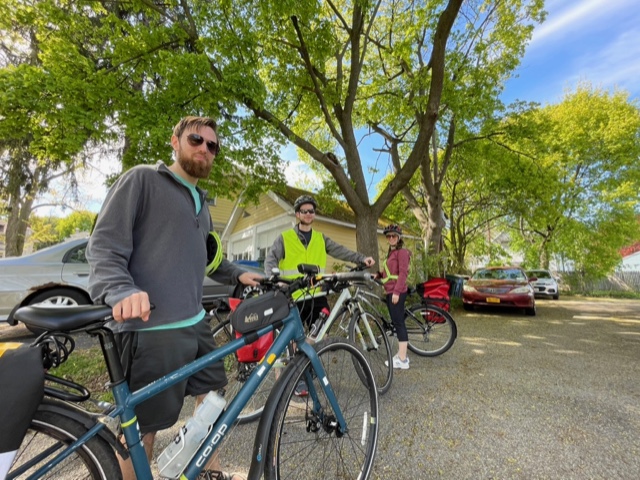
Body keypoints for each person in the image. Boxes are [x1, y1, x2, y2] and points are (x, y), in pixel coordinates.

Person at [87, 116, 261, 480]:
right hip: (152, 329)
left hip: (196, 324)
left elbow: (210, 258)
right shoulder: (142, 180)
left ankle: (210, 471)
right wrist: (121, 289)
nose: (204, 149)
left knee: (212, 403)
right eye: (196, 139)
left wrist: (236, 274)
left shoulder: (202, 204)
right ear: (175, 141)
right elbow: (104, 246)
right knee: (142, 430)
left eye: (212, 145)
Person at [264, 194, 375, 395]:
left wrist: (361, 258)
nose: (308, 214)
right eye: (304, 211)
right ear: (298, 214)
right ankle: (289, 379)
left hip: (316, 294)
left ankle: (301, 365)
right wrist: (275, 280)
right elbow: (270, 260)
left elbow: (341, 251)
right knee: (288, 338)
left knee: (319, 330)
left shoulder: (320, 238)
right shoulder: (285, 238)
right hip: (293, 295)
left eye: (311, 211)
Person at [377, 224, 412, 370]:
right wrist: (378, 275)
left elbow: (403, 273)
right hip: (390, 290)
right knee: (397, 322)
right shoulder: (392, 253)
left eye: (394, 236)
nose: (391, 238)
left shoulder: (402, 252)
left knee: (399, 323)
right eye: (389, 236)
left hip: (396, 292)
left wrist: (397, 292)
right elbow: (389, 272)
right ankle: (401, 355)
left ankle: (402, 360)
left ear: (399, 238)